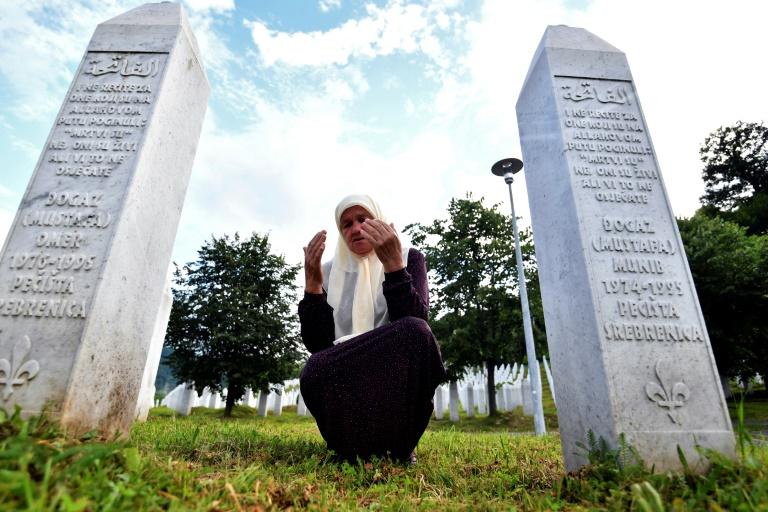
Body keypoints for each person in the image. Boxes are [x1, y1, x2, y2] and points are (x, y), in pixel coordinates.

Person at [299, 194, 447, 462]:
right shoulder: (328, 271)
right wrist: (312, 287)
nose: (355, 229)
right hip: (344, 372)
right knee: (314, 368)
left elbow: (416, 323)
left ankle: (400, 446)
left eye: (363, 219)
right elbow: (316, 344)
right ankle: (348, 447)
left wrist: (393, 266)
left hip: (395, 372)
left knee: (417, 332)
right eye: (346, 224)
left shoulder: (408, 258)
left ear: (378, 220)